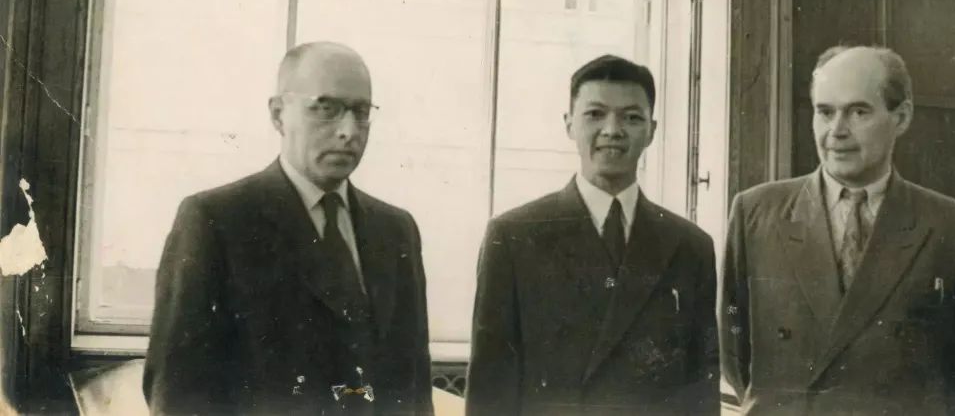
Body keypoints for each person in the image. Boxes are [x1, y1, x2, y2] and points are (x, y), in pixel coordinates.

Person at [144, 42, 433, 415]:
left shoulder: (396, 230)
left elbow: (415, 389)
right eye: (326, 108)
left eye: (360, 112)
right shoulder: (216, 221)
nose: (348, 131)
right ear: (278, 114)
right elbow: (178, 393)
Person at [721, 45, 955, 415]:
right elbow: (734, 355)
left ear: (901, 117)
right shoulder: (755, 214)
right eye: (825, 112)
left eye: (858, 112)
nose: (837, 131)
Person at [466, 54, 720, 416]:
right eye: (595, 114)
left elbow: (701, 390)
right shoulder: (513, 236)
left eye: (631, 118)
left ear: (652, 130)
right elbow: (489, 389)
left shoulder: (690, 246)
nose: (612, 130)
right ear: (569, 124)